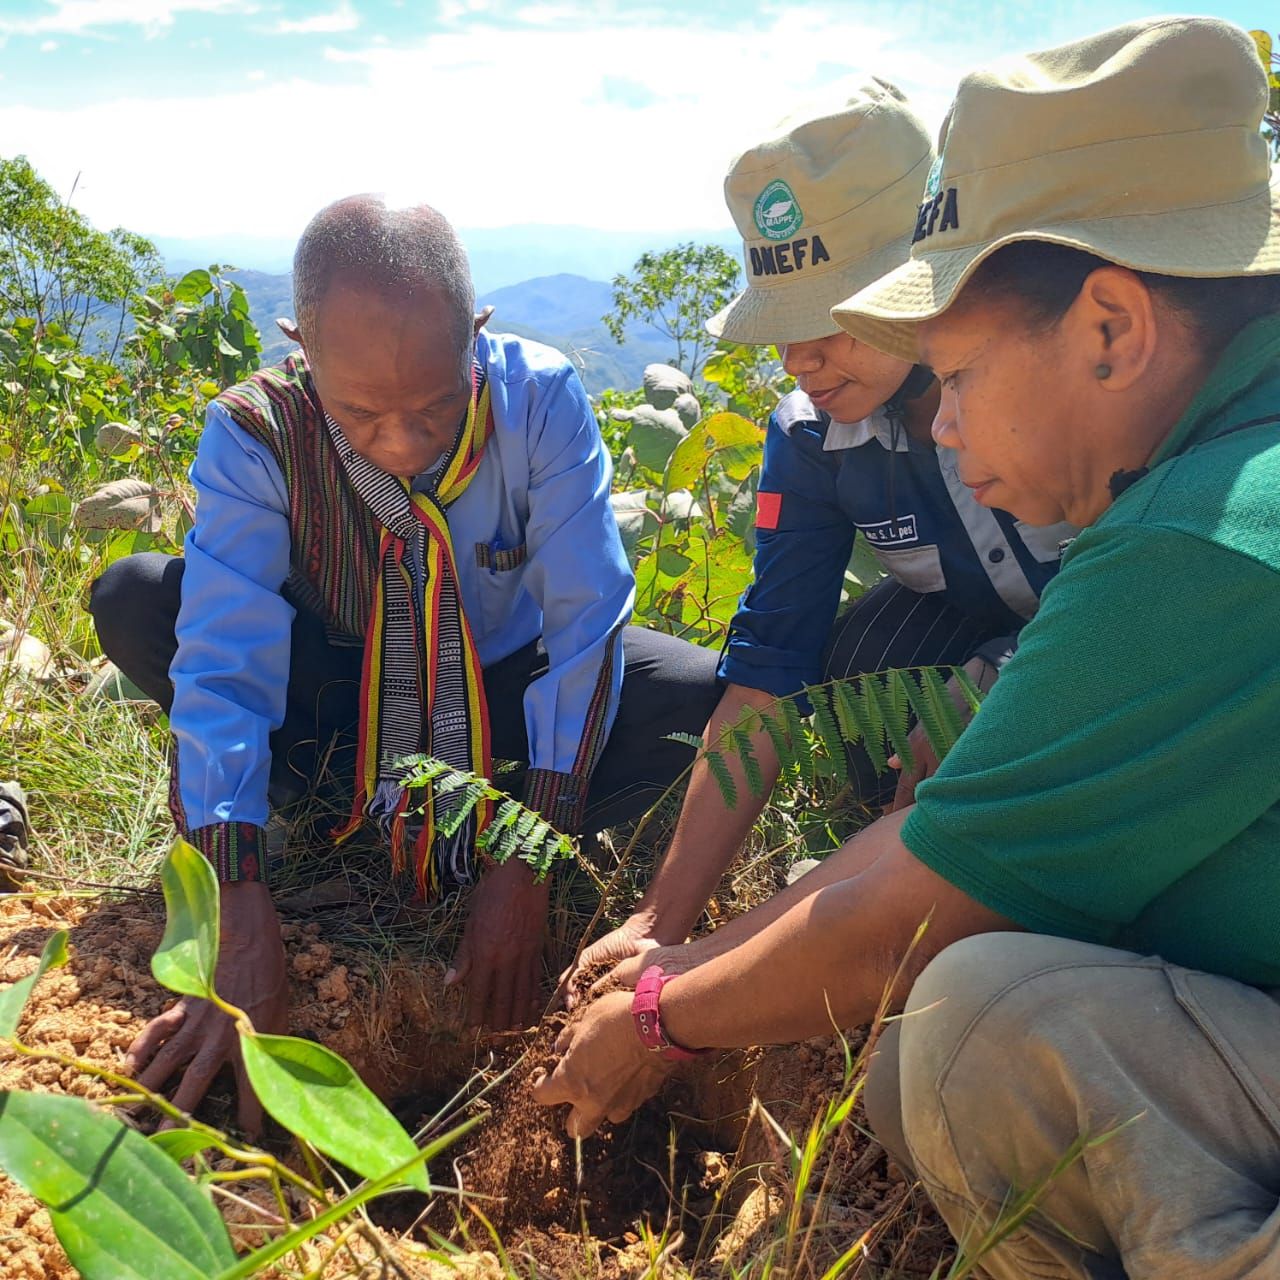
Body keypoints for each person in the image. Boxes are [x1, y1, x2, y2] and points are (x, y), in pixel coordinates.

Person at [534, 18, 1280, 1278]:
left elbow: (909, 916)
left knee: (962, 1013)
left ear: (1110, 328)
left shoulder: (1201, 536)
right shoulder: (1208, 451)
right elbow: (788, 695)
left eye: (960, 374)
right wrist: (683, 931)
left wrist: (663, 1010)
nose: (945, 429)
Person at [90, 196, 720, 1131]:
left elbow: (586, 625)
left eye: (434, 404)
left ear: (479, 332)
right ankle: (328, 794)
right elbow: (225, 657)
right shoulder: (259, 435)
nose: (403, 441)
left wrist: (525, 857)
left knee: (694, 697)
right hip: (337, 682)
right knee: (140, 596)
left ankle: (485, 805)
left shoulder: (538, 402)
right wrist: (238, 888)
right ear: (300, 347)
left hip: (497, 683)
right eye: (359, 412)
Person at [565, 81, 1071, 987]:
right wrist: (659, 919)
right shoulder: (811, 437)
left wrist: (1006, 678)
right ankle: (890, 883)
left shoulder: (1061, 367)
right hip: (981, 624)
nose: (798, 359)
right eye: (783, 328)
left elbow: (1158, 572)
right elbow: (767, 674)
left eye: (827, 319)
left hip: (1114, 629)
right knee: (851, 676)